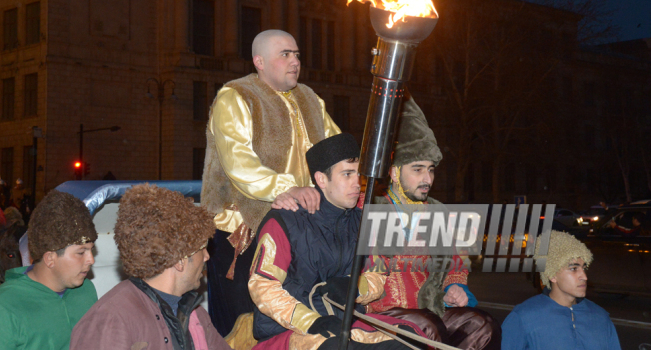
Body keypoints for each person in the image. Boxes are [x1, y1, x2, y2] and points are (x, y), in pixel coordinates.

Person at [201, 29, 340, 334]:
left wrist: (356, 176)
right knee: (243, 327)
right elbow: (239, 162)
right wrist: (285, 188)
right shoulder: (235, 97)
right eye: (285, 54)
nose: (295, 61)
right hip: (241, 233)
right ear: (259, 61)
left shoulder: (310, 98)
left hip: (298, 229)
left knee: (291, 323)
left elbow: (336, 150)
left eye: (297, 54)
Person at [249, 133, 422, 350]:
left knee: (410, 340)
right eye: (347, 174)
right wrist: (309, 320)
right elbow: (262, 285)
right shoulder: (285, 219)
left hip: (346, 321)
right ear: (322, 179)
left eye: (358, 174)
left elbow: (377, 276)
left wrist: (355, 286)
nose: (356, 184)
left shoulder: (363, 222)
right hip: (289, 329)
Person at [365, 96, 500, 350]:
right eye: (417, 169)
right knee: (426, 326)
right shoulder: (369, 208)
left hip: (431, 309)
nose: (427, 178)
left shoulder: (439, 212)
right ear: (394, 173)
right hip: (381, 313)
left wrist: (455, 287)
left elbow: (455, 265)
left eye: (431, 169)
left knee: (483, 325)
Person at [71, 184, 230, 350]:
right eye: (201, 248)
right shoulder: (111, 320)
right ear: (179, 260)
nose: (206, 256)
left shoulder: (194, 314)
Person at [0, 190, 98, 350]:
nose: (91, 260)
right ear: (50, 258)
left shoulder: (86, 291)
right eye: (81, 252)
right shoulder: (2, 307)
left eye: (91, 250)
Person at [501, 230, 621, 349]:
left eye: (584, 268)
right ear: (552, 274)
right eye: (574, 269)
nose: (584, 277)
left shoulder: (599, 316)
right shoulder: (523, 317)